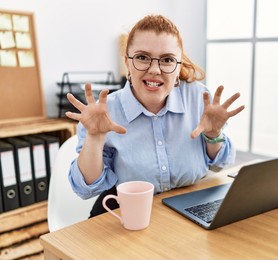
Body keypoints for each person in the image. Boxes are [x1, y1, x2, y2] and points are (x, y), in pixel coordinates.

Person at [66, 14, 245, 216]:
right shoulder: (103, 112)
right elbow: (85, 189)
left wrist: (214, 134)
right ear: (127, 62)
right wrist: (95, 139)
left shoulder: (198, 97)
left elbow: (221, 163)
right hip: (127, 211)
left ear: (178, 67)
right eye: (142, 57)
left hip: (190, 204)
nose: (154, 70)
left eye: (167, 60)